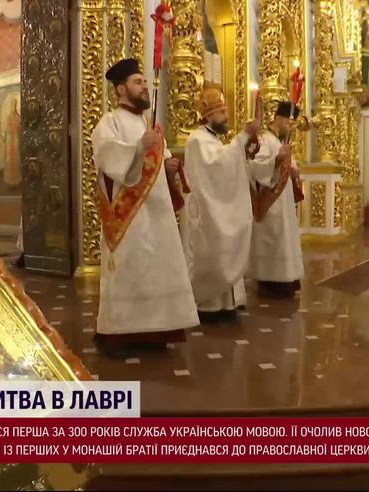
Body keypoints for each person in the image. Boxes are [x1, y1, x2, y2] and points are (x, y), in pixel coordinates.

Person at [91, 58, 199, 356]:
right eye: (138, 82)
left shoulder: (147, 125)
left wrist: (169, 164)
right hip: (129, 218)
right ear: (120, 89)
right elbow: (107, 157)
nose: (144, 87)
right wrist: (139, 147)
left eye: (145, 82)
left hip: (157, 215)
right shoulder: (109, 122)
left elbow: (158, 162)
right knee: (130, 271)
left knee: (156, 270)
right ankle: (121, 336)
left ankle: (156, 332)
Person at [181, 84, 260, 322]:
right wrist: (242, 136)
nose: (226, 117)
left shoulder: (211, 139)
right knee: (213, 252)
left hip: (213, 206)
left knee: (223, 251)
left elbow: (226, 163)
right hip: (206, 212)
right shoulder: (197, 139)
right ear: (208, 115)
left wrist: (245, 147)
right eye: (222, 112)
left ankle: (227, 304)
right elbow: (217, 166)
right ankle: (209, 305)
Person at [248, 101, 304, 299]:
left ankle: (288, 279)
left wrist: (294, 171)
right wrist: (276, 160)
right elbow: (255, 165)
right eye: (289, 124)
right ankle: (270, 282)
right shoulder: (264, 139)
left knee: (285, 239)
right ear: (279, 119)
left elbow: (289, 165)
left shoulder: (279, 141)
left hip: (284, 200)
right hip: (270, 201)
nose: (290, 128)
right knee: (273, 239)